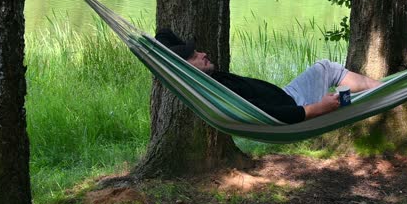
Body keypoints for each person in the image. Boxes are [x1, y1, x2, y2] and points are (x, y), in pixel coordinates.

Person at [154, 28, 384, 123]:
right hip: (295, 106)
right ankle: (383, 90)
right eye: (195, 56)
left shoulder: (207, 82)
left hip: (287, 95)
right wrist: (317, 108)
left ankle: (382, 88)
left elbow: (163, 34)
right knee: (328, 70)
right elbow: (267, 113)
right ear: (187, 68)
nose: (203, 53)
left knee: (326, 70)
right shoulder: (219, 91)